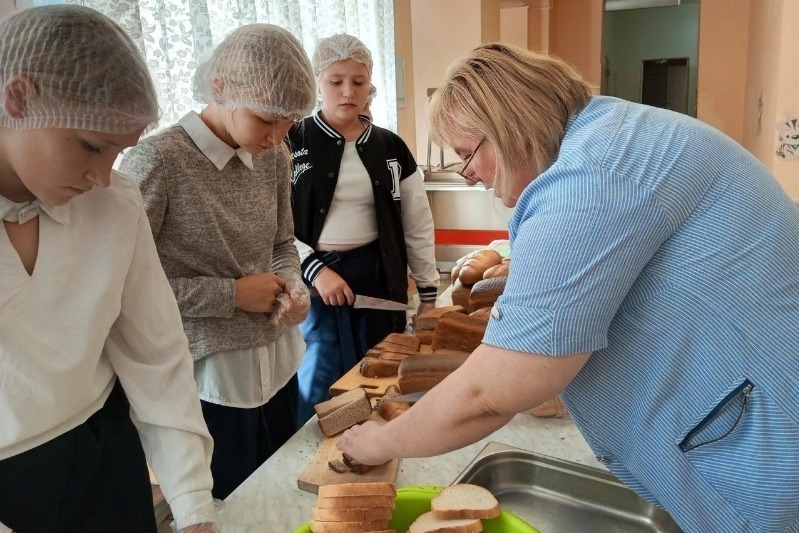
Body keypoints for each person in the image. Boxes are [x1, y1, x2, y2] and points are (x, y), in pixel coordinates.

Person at [338, 43, 799, 532]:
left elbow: (494, 392)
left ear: (507, 126)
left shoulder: (592, 175)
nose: (469, 176)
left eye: (466, 155)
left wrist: (379, 443)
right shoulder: (613, 136)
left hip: (766, 459)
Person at [0, 5, 218, 532]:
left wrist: (192, 506)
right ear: (17, 98)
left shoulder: (114, 204)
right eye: (92, 147)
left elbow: (155, 355)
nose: (101, 176)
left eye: (117, 153)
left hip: (101, 454)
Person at [119, 24, 316, 500]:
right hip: (208, 375)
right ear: (221, 88)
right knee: (230, 499)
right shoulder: (158, 161)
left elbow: (282, 242)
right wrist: (231, 295)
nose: (276, 136)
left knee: (282, 492)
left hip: (278, 359)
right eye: (265, 119)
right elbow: (125, 283)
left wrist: (292, 285)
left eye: (288, 122)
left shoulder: (275, 156)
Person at [288, 34, 439, 427]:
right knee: (320, 381)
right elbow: (270, 226)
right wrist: (316, 271)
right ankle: (308, 458)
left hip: (378, 275)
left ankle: (377, 446)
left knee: (382, 372)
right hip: (315, 282)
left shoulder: (391, 146)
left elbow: (417, 222)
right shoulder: (289, 141)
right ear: (316, 82)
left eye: (358, 81)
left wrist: (427, 292)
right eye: (335, 81)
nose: (348, 91)